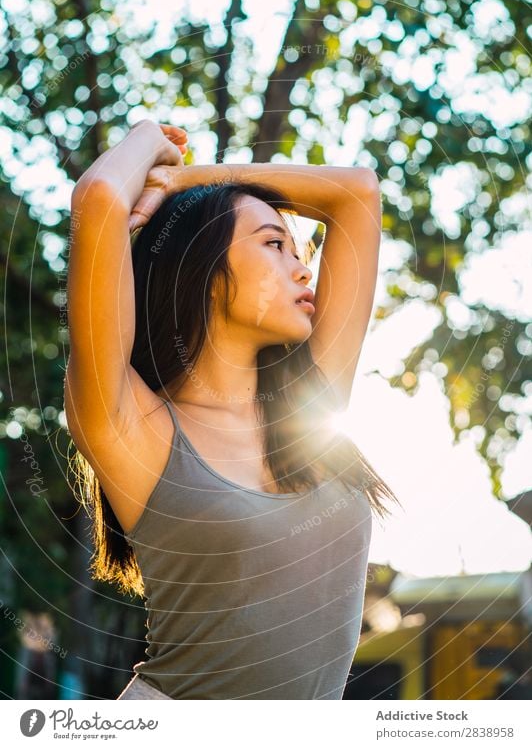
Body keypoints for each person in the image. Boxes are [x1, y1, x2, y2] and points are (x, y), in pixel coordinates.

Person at [64, 120, 399, 700]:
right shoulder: (136, 429)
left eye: (297, 250)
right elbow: (98, 199)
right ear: (203, 266)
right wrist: (150, 142)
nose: (301, 268)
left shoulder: (307, 409)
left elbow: (356, 193)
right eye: (274, 244)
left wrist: (185, 180)